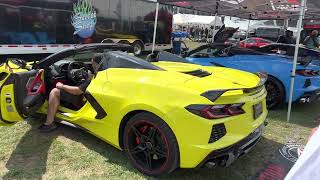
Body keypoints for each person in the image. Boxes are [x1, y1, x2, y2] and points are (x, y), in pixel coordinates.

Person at [38, 53, 103, 132]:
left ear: (96, 63)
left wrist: (62, 86)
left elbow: (77, 91)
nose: (92, 65)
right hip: (94, 99)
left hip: (83, 100)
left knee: (55, 91)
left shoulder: (95, 76)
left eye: (92, 63)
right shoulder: (104, 73)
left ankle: (49, 123)